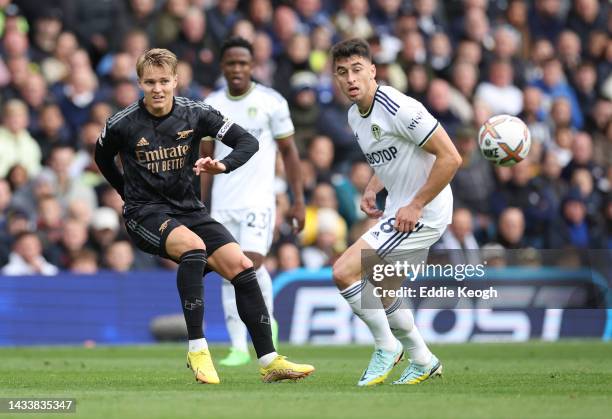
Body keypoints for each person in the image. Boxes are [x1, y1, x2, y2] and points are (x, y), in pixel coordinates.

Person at [94, 48, 313, 384]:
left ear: (176, 80)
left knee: (242, 266)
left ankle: (270, 360)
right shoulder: (122, 123)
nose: (157, 88)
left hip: (189, 209)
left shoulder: (195, 113)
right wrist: (126, 194)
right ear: (139, 82)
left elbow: (247, 141)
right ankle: (197, 349)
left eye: (164, 81)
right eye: (150, 82)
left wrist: (223, 165)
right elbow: (103, 158)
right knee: (194, 247)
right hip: (145, 214)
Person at [330, 38, 461, 386]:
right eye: (342, 73)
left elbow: (451, 158)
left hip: (423, 211)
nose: (350, 78)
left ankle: (386, 346)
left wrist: (416, 204)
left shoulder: (397, 106)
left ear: (373, 71)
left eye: (357, 69)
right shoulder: (353, 116)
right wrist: (374, 186)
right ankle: (423, 359)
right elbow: (394, 153)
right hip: (401, 207)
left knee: (344, 272)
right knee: (384, 286)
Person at [200, 36, 305, 367]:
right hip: (221, 202)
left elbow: (288, 152)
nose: (237, 69)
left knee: (250, 263)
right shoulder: (210, 105)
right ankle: (237, 346)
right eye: (231, 63)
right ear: (222, 66)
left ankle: (264, 326)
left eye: (243, 63)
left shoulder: (272, 101)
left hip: (258, 200)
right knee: (227, 272)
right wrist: (199, 207)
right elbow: (204, 160)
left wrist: (297, 200)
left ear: (253, 65)